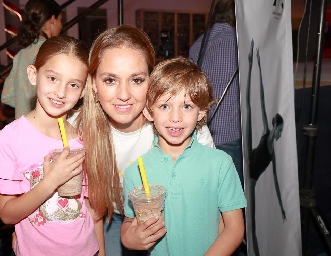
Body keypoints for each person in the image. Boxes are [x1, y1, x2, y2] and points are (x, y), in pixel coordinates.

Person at [75, 24, 215, 256]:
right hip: (110, 219)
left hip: (174, 217)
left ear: (152, 80)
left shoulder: (179, 125)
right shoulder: (77, 131)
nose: (123, 94)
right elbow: (89, 209)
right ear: (93, 86)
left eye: (137, 80)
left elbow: (212, 205)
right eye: (110, 80)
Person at [0, 35, 104, 256]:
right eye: (53, 78)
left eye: (73, 84)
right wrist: (50, 181)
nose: (61, 92)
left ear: (82, 91)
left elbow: (93, 210)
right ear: (34, 75)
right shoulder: (10, 139)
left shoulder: (84, 140)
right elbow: (7, 214)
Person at [120, 57, 246, 256]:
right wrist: (130, 239)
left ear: (201, 112)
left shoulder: (220, 163)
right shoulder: (136, 170)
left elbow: (235, 228)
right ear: (148, 111)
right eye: (164, 106)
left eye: (186, 106)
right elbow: (128, 223)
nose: (176, 117)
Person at [189, 0, 243, 186]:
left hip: (201, 134)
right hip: (230, 134)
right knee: (232, 197)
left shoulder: (197, 44)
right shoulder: (240, 43)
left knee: (209, 193)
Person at [245, 40, 286, 256]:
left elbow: (278, 183)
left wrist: (281, 206)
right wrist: (254, 64)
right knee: (250, 110)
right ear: (275, 126)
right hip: (246, 165)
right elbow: (258, 99)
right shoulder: (266, 134)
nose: (281, 134)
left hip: (250, 176)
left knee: (251, 223)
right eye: (280, 130)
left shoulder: (273, 151)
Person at [2, 0, 62, 119]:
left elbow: (7, 96)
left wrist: (24, 105)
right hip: (47, 128)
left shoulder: (21, 54)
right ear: (52, 19)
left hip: (24, 128)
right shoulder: (55, 52)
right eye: (61, 20)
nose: (62, 25)